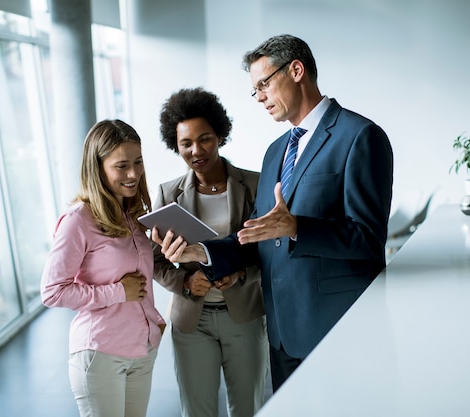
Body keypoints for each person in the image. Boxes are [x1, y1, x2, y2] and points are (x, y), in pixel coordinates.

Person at [153, 34, 394, 391]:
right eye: (256, 90)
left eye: (264, 84)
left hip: (337, 328)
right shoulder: (275, 151)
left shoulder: (360, 136)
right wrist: (198, 252)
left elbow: (369, 240)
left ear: (296, 70)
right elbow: (256, 235)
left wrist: (296, 226)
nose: (260, 97)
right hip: (281, 334)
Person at [153, 87, 268, 417]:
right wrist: (184, 283)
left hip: (244, 316)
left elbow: (271, 252)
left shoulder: (255, 185)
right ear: (175, 146)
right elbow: (155, 259)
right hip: (193, 321)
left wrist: (242, 273)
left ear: (220, 134)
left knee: (248, 408)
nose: (196, 150)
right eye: (185, 143)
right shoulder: (168, 193)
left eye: (204, 138)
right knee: (197, 411)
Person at [40, 119, 166, 417]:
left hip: (141, 351)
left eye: (137, 162)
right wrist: (117, 292)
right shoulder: (78, 220)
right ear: (98, 168)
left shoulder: (133, 215)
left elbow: (141, 279)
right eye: (121, 165)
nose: (133, 173)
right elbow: (52, 292)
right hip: (101, 353)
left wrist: (152, 321)